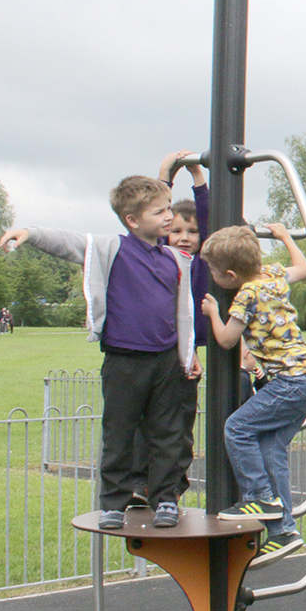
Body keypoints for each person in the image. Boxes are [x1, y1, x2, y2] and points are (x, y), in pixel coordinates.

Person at [0, 176, 197, 530]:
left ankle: (165, 497)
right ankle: (114, 503)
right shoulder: (113, 248)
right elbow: (70, 243)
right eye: (160, 211)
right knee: (118, 432)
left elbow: (184, 312)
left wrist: (186, 354)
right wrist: (29, 233)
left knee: (168, 431)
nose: (169, 216)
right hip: (124, 359)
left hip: (166, 359)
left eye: (169, 208)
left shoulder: (175, 258)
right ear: (133, 221)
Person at [199, 223, 306, 569]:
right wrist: (285, 238)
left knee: (237, 428)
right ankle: (284, 531)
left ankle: (259, 497)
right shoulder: (272, 274)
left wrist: (212, 314)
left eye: (212, 271)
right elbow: (304, 268)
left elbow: (226, 339)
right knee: (271, 449)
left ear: (228, 274)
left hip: (288, 382)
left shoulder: (245, 295)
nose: (210, 275)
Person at [125, 150, 210, 509]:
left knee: (180, 425)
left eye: (191, 231)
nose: (184, 237)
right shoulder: (159, 257)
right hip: (160, 349)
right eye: (176, 230)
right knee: (147, 423)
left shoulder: (203, 260)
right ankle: (141, 484)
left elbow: (210, 220)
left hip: (189, 352)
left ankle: (172, 487)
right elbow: (153, 211)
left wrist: (198, 177)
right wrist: (164, 174)